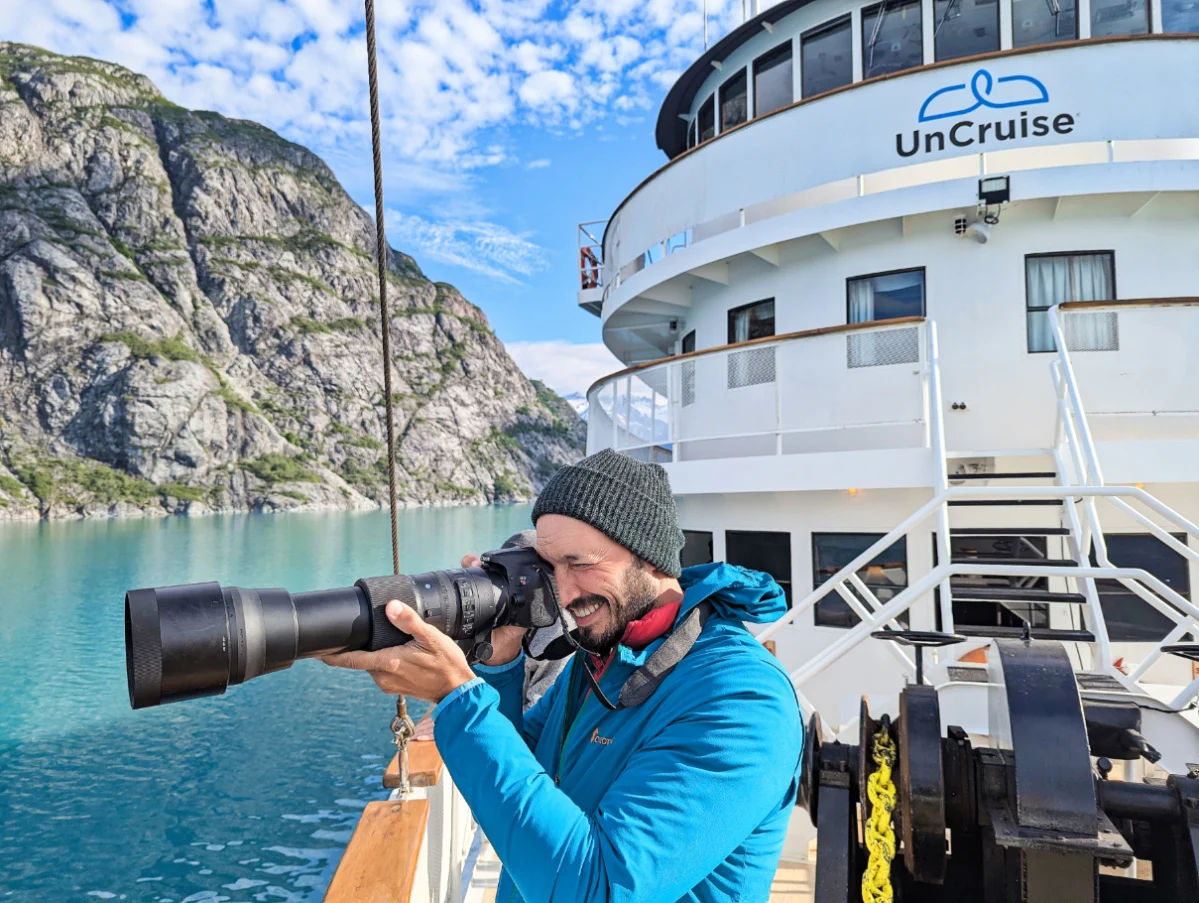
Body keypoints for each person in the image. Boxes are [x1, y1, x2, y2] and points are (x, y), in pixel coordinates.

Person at [323, 449, 804, 903]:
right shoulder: (604, 657)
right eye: (549, 567)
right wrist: (500, 666)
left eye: (580, 563)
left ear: (651, 559)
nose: (564, 593)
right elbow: (525, 770)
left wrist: (458, 698)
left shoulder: (741, 700)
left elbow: (598, 888)